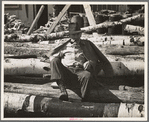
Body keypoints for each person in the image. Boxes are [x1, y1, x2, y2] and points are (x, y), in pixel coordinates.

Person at [44, 22, 114, 101]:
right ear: (69, 36)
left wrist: (90, 62)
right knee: (54, 60)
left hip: (80, 72)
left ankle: (84, 99)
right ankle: (62, 90)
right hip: (67, 73)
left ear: (80, 34)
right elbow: (52, 57)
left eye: (78, 34)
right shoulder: (64, 46)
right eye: (73, 35)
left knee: (87, 75)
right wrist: (53, 60)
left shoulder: (87, 44)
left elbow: (98, 59)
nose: (76, 37)